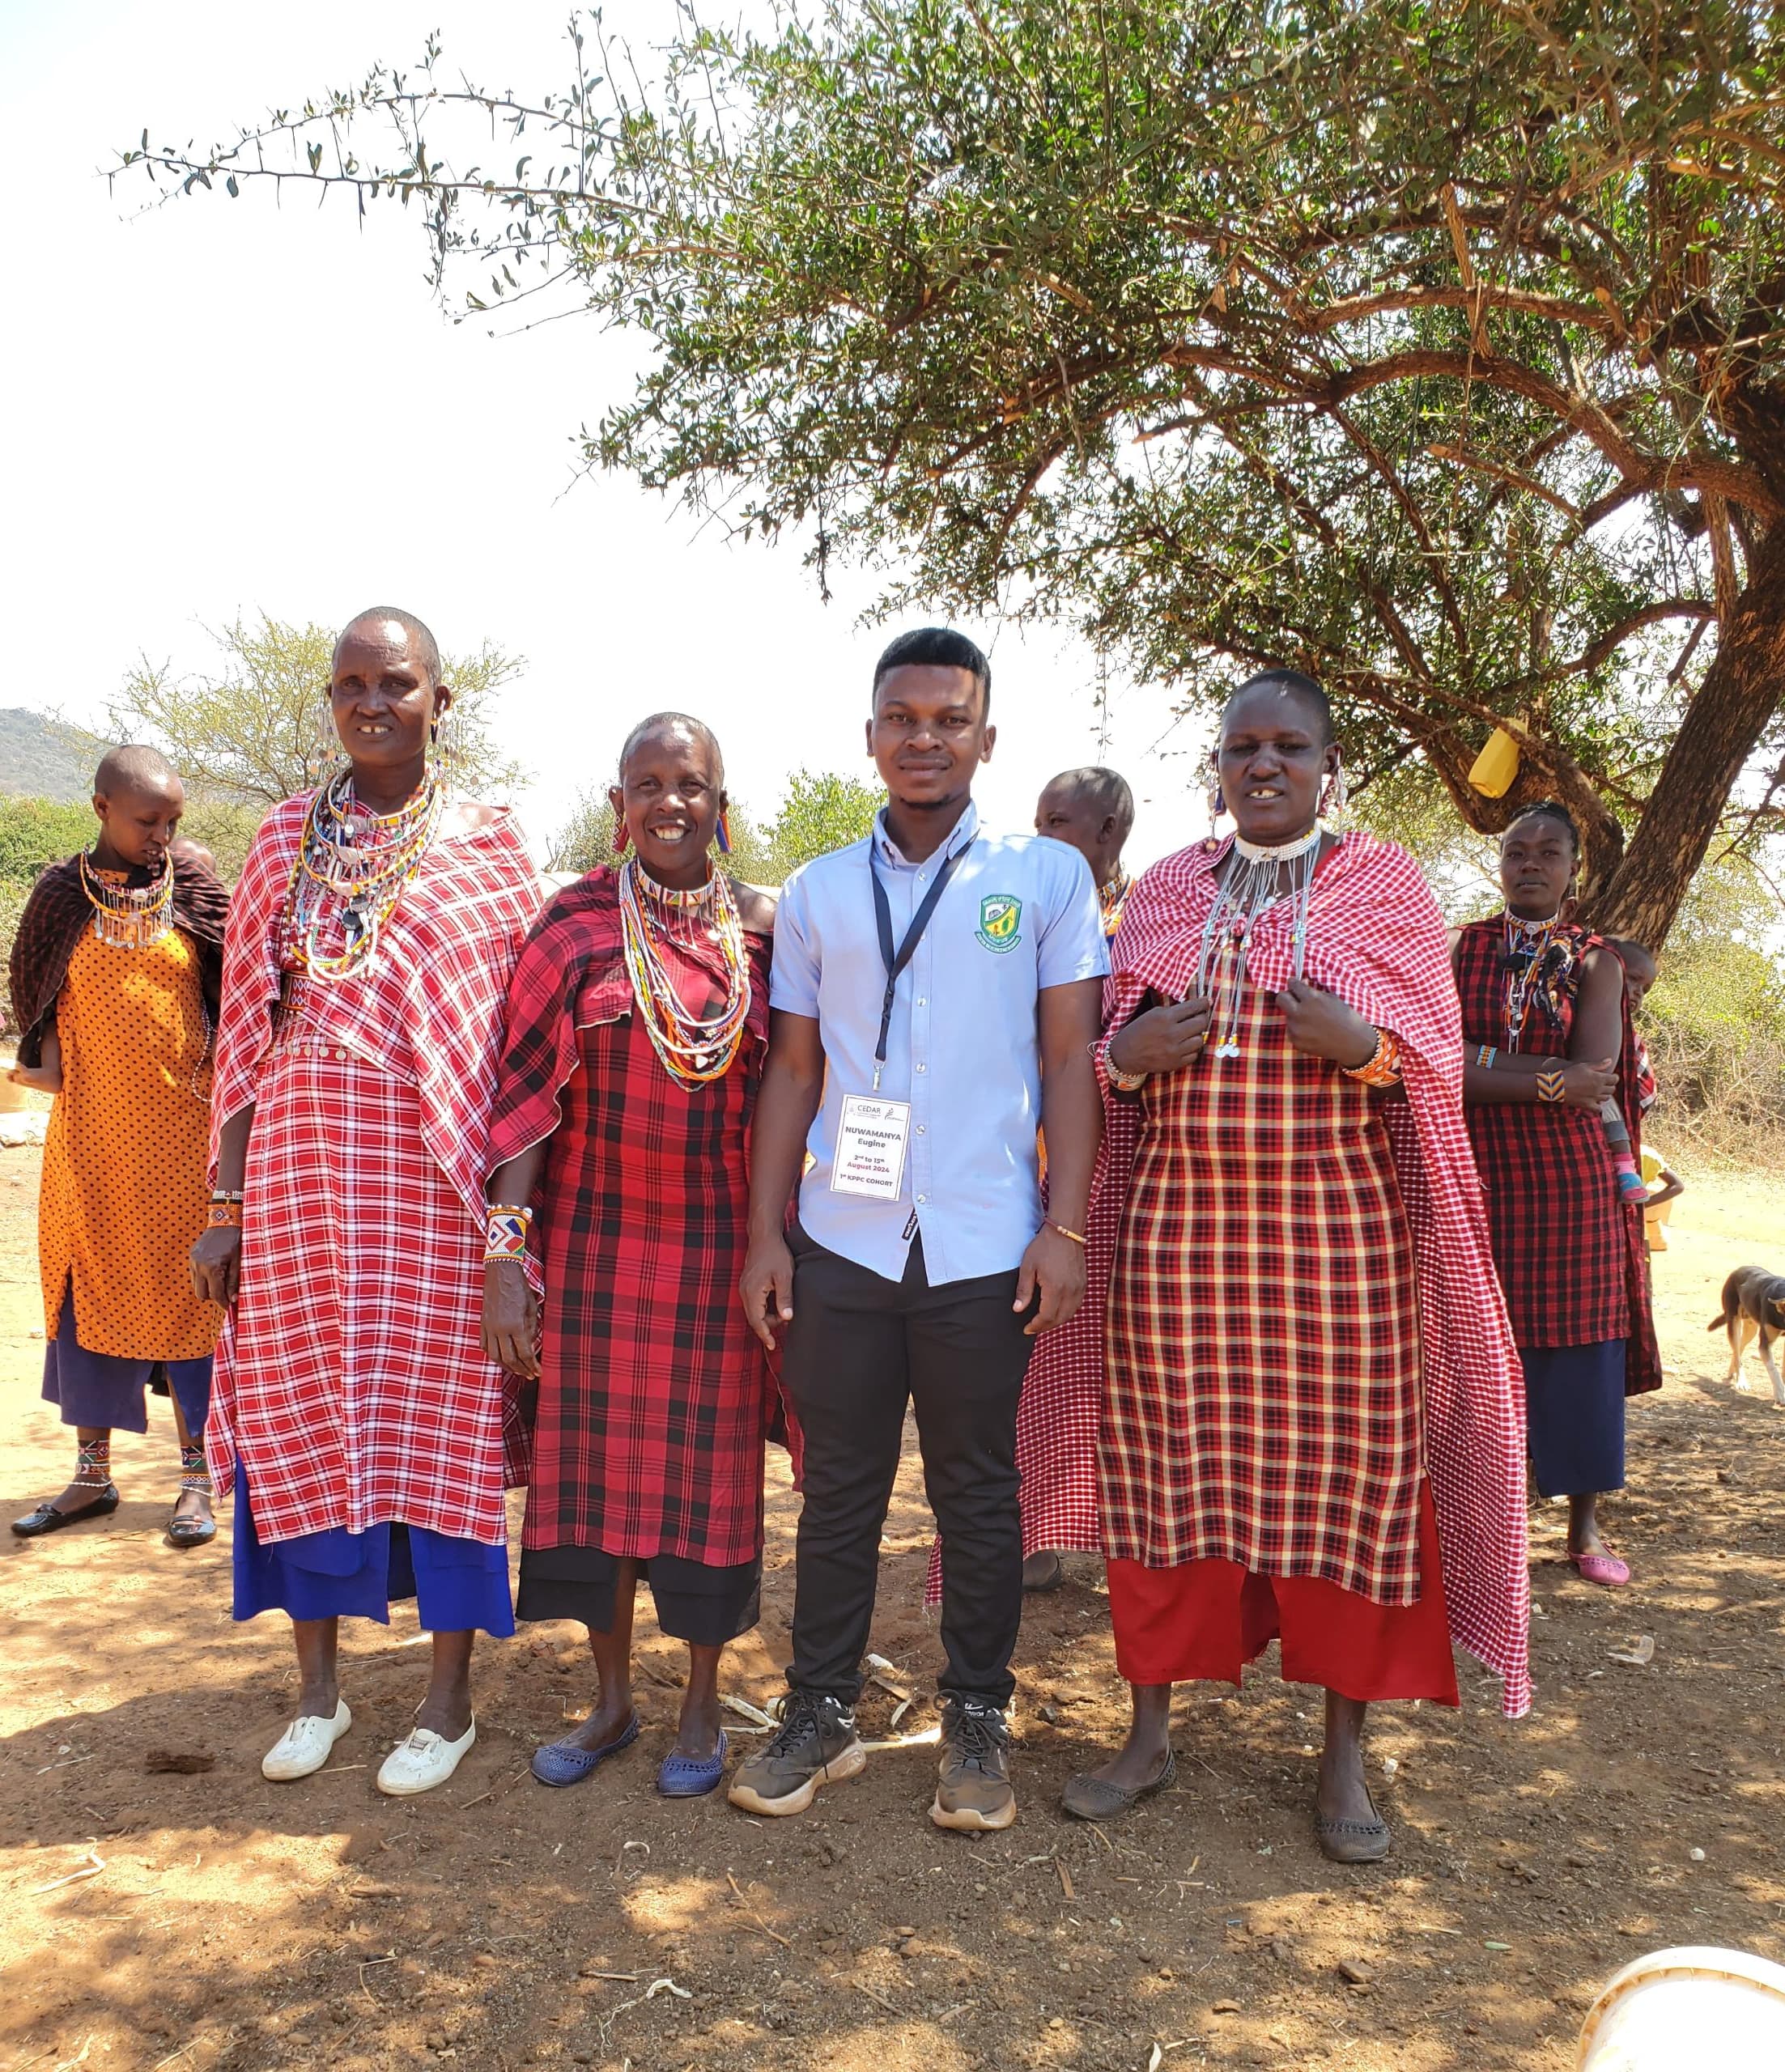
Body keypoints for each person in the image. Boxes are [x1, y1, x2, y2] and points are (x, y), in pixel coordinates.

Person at [1049, 670, 1529, 1863]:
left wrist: (1363, 1047)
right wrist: (1128, 1055)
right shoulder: (1169, 887)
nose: (1263, 765)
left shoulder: (1383, 883)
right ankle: (1147, 1734)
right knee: (1161, 1484)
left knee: (1355, 1492)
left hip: (1341, 1257)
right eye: (1242, 748)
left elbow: (1429, 1061)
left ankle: (1342, 1754)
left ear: (1329, 767)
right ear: (1216, 768)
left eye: (1289, 747)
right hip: (1177, 1254)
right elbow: (1103, 1059)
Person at [733, 626, 1107, 1833]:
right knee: (839, 1488)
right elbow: (794, 1072)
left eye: (950, 720)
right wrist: (767, 1237)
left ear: (987, 739)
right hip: (843, 1237)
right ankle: (821, 1710)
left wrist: (1063, 1228)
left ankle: (977, 1718)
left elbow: (1070, 1059)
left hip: (985, 1241)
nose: (925, 739)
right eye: (903, 718)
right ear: (870, 735)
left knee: (977, 1490)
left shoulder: (1046, 880)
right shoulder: (819, 891)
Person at [189, 607, 542, 1794]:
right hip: (298, 1179)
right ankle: (318, 1693)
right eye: (350, 683)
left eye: (394, 681)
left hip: (435, 1185)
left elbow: (520, 1054)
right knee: (297, 1409)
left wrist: (509, 1238)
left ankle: (446, 1704)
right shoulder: (283, 839)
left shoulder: (489, 843)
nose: (371, 702)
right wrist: (227, 1205)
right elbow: (245, 1031)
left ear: (441, 698)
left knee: (439, 1421)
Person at [481, 714, 782, 1798]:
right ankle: (610, 1703)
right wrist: (507, 1257)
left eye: (689, 783)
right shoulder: (570, 927)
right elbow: (522, 1097)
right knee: (593, 1481)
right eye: (646, 784)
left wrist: (775, 1245)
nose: (669, 802)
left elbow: (793, 1092)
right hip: (593, 1245)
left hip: (717, 1248)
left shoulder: (765, 932)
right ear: (619, 805)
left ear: (720, 806)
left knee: (707, 1481)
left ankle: (700, 1706)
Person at [10, 746, 230, 1547]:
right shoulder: (61, 895)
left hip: (185, 1146)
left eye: (173, 821)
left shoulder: (194, 889)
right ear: (102, 807)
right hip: (90, 1144)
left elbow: (240, 997)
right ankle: (91, 1477)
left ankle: (197, 1479)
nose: (162, 836)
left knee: (197, 1301)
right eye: (147, 821)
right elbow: (36, 995)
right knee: (85, 1296)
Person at [1456, 803, 1661, 1590]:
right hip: (1475, 1173)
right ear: (1500, 863)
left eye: (1548, 852)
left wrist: (1487, 1066)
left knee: (1580, 1345)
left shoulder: (1596, 960)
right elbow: (1435, 1061)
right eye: (1516, 851)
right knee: (1477, 1346)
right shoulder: (1460, 948)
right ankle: (1484, 1520)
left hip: (1572, 1188)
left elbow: (1594, 1076)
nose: (1530, 864)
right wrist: (1546, 1079)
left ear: (1573, 868)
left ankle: (1583, 1523)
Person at [1004, 763, 1138, 1595]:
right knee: (1029, 1353)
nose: (1040, 839)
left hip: (1132, 1175)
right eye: (1038, 821)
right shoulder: (1018, 918)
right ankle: (1028, 1527)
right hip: (1032, 1172)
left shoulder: (1149, 923)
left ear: (1108, 833)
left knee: (1123, 1364)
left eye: (1057, 823)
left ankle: (1120, 1528)